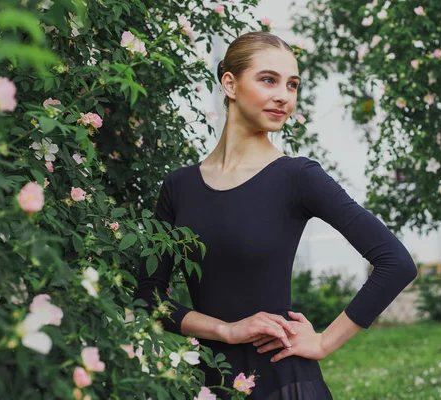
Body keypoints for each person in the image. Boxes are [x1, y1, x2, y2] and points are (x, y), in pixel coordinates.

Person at [134, 31, 418, 399]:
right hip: (210, 382)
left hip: (283, 382)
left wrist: (323, 342)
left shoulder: (297, 177)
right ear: (230, 84)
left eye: (293, 85)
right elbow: (147, 296)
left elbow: (396, 262)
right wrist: (226, 330)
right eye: (268, 80)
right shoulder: (179, 186)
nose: (284, 96)